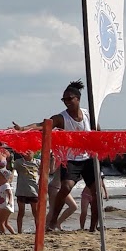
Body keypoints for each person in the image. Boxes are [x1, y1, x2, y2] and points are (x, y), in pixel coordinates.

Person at [47, 80, 101, 232]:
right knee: (65, 187)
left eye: (69, 99)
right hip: (71, 159)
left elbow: (98, 132)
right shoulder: (61, 118)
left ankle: (93, 226)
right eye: (64, 99)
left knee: (96, 192)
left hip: (88, 158)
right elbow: (43, 125)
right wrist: (23, 128)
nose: (66, 102)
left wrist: (100, 148)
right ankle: (52, 221)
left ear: (78, 98)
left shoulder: (88, 114)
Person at [0, 168, 16, 233]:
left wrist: (10, 201)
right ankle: (14, 233)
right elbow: (1, 195)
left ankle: (2, 233)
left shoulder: (6, 185)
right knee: (6, 223)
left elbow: (9, 193)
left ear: (5, 178)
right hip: (6, 206)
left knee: (0, 222)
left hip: (6, 206)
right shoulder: (2, 186)